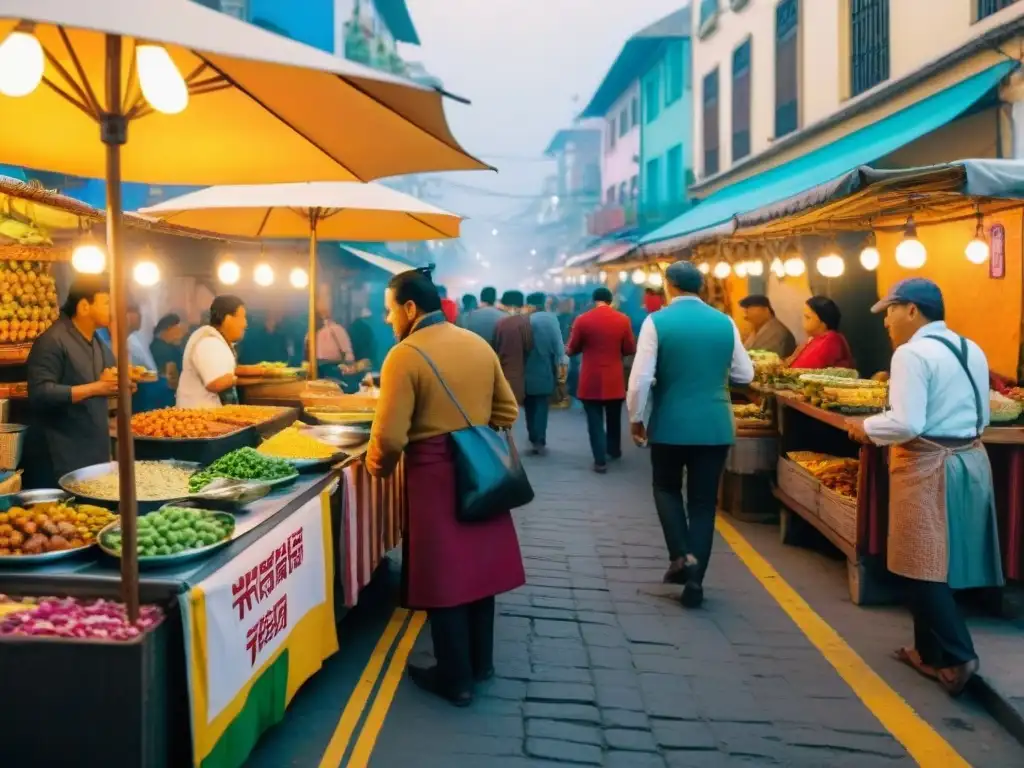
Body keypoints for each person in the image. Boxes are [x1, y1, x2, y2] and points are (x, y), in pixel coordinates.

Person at [366, 269, 525, 707]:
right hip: (480, 470)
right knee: (478, 570)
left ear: (410, 308)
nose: (387, 319)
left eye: (389, 309)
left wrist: (374, 468)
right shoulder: (477, 344)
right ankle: (481, 664)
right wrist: (470, 430)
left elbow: (391, 437)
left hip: (434, 474)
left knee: (445, 574)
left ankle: (455, 679)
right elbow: (507, 410)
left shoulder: (405, 354)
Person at [847, 278, 1002, 695]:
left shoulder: (911, 353)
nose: (886, 323)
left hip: (928, 463)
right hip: (970, 459)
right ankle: (924, 651)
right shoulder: (972, 348)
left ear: (912, 310)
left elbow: (907, 422)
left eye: (890, 312)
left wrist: (863, 425)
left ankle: (958, 654)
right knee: (935, 559)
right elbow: (984, 415)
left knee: (921, 563)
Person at [627, 262, 754, 608]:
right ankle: (695, 582)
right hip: (715, 425)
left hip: (670, 423)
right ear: (701, 285)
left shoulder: (657, 322)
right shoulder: (725, 322)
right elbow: (745, 373)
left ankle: (681, 555)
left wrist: (637, 417)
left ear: (669, 286)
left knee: (666, 488)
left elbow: (641, 378)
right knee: (702, 504)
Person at [25, 276, 121, 487]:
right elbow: (40, 392)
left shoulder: (98, 342)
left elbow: (108, 383)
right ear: (84, 306)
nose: (111, 310)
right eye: (106, 303)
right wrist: (95, 388)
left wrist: (121, 386)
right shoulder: (52, 340)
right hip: (61, 451)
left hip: (94, 448)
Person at [566, 286, 636, 473]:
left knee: (594, 420)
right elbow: (629, 348)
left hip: (591, 377)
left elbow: (572, 348)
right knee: (614, 417)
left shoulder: (582, 320)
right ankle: (614, 449)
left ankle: (599, 460)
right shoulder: (623, 320)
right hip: (614, 376)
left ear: (593, 300)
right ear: (611, 300)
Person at [177, 295, 247, 408]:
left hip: (210, 416)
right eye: (242, 317)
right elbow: (215, 383)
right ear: (228, 319)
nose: (245, 324)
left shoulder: (218, 341)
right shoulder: (209, 342)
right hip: (199, 419)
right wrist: (243, 379)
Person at [523, 291, 567, 455]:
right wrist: (561, 365)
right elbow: (558, 346)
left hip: (526, 367)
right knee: (542, 403)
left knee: (529, 404)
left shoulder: (524, 320)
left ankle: (533, 435)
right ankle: (539, 438)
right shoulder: (551, 319)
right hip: (545, 367)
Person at [787, 296, 855, 370]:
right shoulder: (815, 339)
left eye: (807, 317)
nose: (803, 320)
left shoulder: (831, 340)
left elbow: (802, 369)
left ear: (823, 323)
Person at [493, 291, 533, 405]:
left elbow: (495, 345)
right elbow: (529, 346)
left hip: (502, 373)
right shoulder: (526, 323)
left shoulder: (500, 323)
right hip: (520, 374)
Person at [150, 313, 186, 391]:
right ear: (169, 329)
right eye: (177, 330)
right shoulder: (160, 349)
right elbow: (170, 376)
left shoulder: (171, 346)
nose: (180, 333)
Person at [125, 303, 158, 371]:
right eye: (134, 311)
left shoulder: (136, 339)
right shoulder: (110, 341)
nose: (140, 315)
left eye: (138, 311)